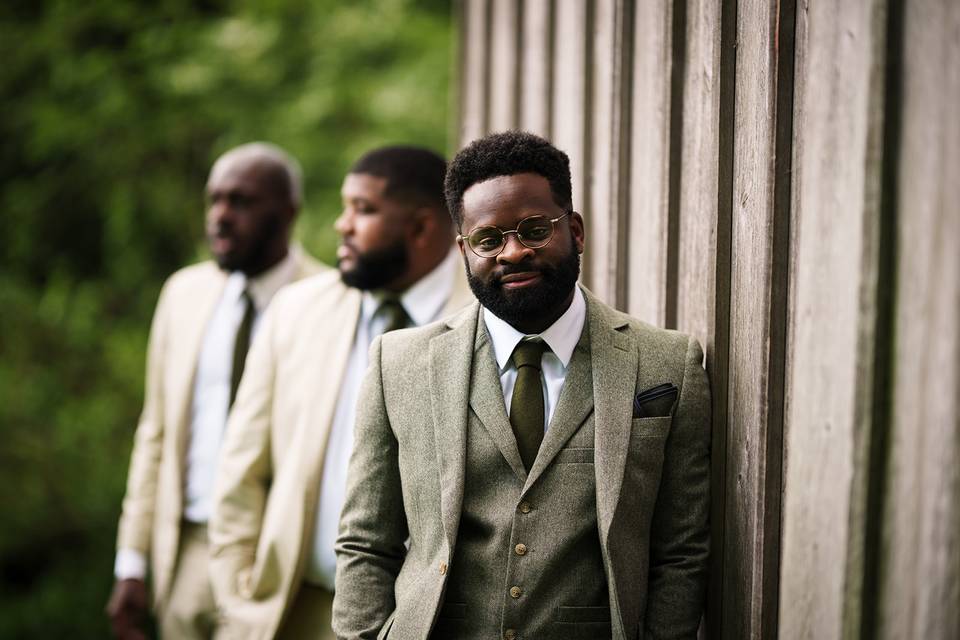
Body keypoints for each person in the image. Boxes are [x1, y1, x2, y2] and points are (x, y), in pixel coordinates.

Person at [333, 131, 711, 639]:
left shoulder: (667, 362)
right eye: (488, 240)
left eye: (534, 229)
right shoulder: (397, 364)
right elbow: (366, 542)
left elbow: (682, 552)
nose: (512, 253)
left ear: (575, 231)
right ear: (464, 250)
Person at [208, 146, 472, 640]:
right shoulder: (294, 311)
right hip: (289, 611)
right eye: (345, 206)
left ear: (420, 227)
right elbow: (240, 470)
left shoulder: (483, 323)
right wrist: (237, 598)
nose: (341, 225)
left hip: (421, 622)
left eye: (363, 210)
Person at [106, 143, 325, 639]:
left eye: (241, 202)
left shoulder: (331, 300)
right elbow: (156, 434)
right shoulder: (183, 294)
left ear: (288, 212)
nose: (221, 217)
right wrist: (132, 561)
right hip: (183, 553)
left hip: (278, 563)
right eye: (215, 200)